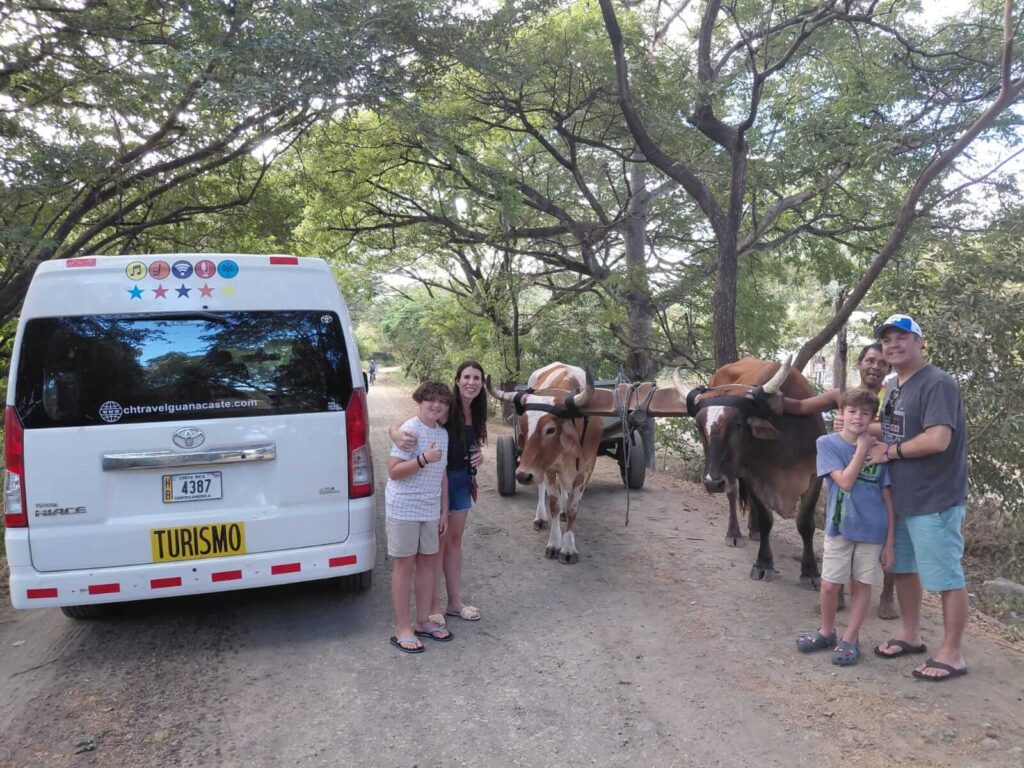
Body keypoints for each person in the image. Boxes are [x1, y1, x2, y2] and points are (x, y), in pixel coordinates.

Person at [866, 314, 970, 682]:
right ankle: (910, 634)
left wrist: (889, 454)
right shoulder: (896, 386)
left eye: (902, 338)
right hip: (903, 497)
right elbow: (897, 429)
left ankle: (953, 654)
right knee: (904, 569)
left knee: (945, 575)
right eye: (887, 339)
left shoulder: (938, 383)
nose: (893, 344)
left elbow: (937, 438)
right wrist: (860, 426)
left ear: (920, 342)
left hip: (936, 497)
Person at [783, 342, 899, 619]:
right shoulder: (841, 395)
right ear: (859, 363)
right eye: (870, 360)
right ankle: (839, 595)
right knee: (845, 526)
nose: (875, 366)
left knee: (885, 529)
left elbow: (896, 431)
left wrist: (859, 427)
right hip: (844, 473)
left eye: (882, 363)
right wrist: (770, 398)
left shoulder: (893, 398)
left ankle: (887, 595)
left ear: (889, 369)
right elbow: (801, 406)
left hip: (878, 471)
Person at [796, 388, 895, 666]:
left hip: (873, 529)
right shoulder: (827, 444)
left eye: (865, 413)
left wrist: (890, 543)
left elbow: (888, 498)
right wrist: (862, 449)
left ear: (871, 417)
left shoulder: (881, 451)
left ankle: (851, 638)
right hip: (839, 527)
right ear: (841, 414)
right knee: (829, 585)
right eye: (851, 411)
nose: (858, 417)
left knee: (863, 585)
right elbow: (845, 482)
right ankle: (827, 630)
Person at [391, 360, 488, 626]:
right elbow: (403, 423)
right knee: (437, 545)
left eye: (477, 378)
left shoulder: (477, 410)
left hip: (462, 481)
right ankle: (433, 607)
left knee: (455, 541)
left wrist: (478, 457)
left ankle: (455, 603)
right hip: (442, 479)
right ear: (457, 380)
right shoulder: (448, 406)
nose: (471, 383)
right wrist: (395, 433)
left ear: (482, 383)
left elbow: (469, 443)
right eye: (466, 377)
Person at [385, 380, 455, 653]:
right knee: (404, 565)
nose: (436, 405)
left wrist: (443, 510)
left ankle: (424, 621)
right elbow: (393, 471)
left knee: (428, 564)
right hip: (404, 507)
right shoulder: (409, 431)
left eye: (441, 401)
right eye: (430, 399)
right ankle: (403, 627)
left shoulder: (443, 434)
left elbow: (443, 476)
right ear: (420, 402)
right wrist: (424, 458)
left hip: (430, 509)